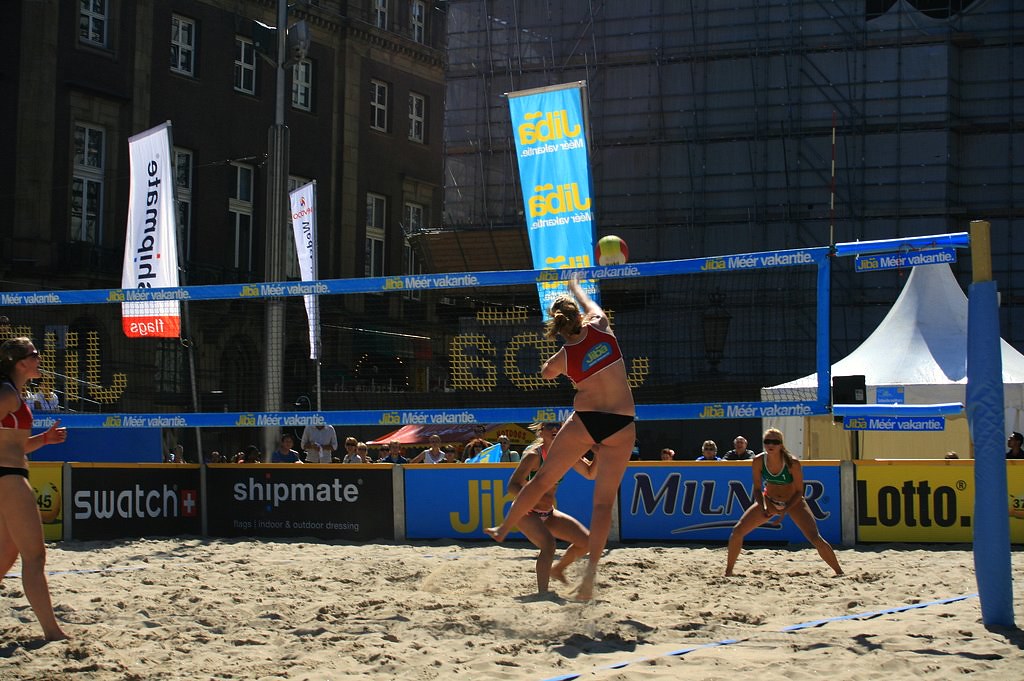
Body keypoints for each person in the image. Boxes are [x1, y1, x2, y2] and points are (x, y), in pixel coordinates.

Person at [486, 274, 636, 601]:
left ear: (557, 327)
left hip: (588, 418)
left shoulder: (565, 355)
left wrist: (558, 358)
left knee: (541, 481)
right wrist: (577, 288)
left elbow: (545, 373)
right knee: (603, 504)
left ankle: (503, 528)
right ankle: (588, 581)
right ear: (579, 315)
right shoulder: (600, 324)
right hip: (622, 421)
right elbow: (591, 305)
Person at [0, 337, 69, 640]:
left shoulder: (14, 392)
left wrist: (44, 439)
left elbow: (15, 444)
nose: (39, 358)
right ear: (21, 362)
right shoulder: (5, 392)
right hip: (8, 478)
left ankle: (52, 631)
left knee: (6, 556)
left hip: (9, 473)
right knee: (35, 556)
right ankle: (53, 632)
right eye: (35, 354)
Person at [725, 428, 843, 577]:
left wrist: (785, 510)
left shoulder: (792, 462)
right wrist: (764, 507)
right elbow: (756, 489)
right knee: (737, 531)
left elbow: (800, 491)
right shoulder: (758, 461)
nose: (770, 444)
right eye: (767, 441)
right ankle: (728, 572)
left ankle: (839, 571)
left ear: (781, 444)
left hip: (793, 502)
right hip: (770, 500)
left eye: (775, 441)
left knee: (815, 537)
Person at [504, 422, 590, 593]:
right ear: (540, 432)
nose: (555, 430)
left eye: (558, 427)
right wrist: (529, 499)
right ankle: (543, 594)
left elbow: (590, 473)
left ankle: (558, 569)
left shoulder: (566, 454)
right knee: (549, 545)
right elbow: (512, 486)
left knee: (587, 542)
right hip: (526, 511)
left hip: (548, 512)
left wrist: (601, 451)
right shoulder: (534, 456)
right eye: (549, 427)